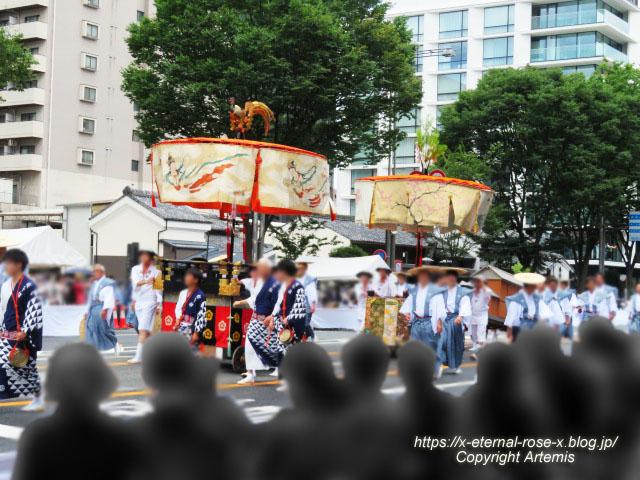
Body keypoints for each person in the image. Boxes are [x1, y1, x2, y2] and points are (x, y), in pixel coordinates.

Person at [0, 249, 44, 411]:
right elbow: (3, 308)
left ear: (19, 265)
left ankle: (38, 397)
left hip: (23, 336)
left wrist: (26, 330)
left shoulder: (29, 286)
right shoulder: (6, 285)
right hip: (7, 335)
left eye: (8, 263)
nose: (5, 266)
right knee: (4, 366)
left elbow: (35, 309)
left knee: (28, 369)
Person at [234, 259, 280, 384]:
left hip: (268, 320)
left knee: (272, 347)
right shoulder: (260, 281)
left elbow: (279, 302)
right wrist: (241, 302)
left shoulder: (275, 284)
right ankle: (251, 373)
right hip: (256, 318)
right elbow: (255, 298)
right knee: (249, 345)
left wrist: (273, 317)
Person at [398, 265, 445, 370]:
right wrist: (408, 314)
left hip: (429, 322)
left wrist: (439, 323)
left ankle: (435, 367)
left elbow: (440, 308)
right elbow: (408, 305)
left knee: (431, 346)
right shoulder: (414, 291)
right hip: (416, 322)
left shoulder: (435, 291)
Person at [435, 267, 472, 376]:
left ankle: (455, 365)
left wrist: (461, 316)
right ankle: (439, 364)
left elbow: (465, 305)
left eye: (453, 277)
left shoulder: (462, 291)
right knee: (441, 341)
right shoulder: (441, 291)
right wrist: (438, 320)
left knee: (456, 343)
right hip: (443, 318)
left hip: (456, 319)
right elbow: (437, 305)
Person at [128, 249, 162, 364]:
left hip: (150, 300)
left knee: (143, 328)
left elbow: (159, 288)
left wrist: (159, 303)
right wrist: (133, 301)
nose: (143, 258)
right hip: (139, 301)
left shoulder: (157, 271)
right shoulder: (135, 269)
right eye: (142, 255)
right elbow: (134, 284)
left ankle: (138, 356)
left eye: (146, 256)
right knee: (143, 328)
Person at [83, 264, 121, 355]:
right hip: (93, 307)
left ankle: (114, 343)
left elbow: (109, 297)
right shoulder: (93, 283)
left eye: (96, 271)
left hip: (102, 306)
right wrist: (86, 311)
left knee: (104, 329)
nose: (94, 273)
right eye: (93, 271)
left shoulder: (107, 283)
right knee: (90, 327)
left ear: (102, 272)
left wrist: (105, 310)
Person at [504, 273, 554, 342]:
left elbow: (548, 316)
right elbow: (510, 323)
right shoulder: (516, 301)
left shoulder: (538, 300)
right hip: (520, 335)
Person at [174, 268, 207, 345]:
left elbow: (201, 315)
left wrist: (196, 333)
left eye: (189, 276)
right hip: (182, 326)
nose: (186, 278)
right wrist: (177, 319)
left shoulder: (200, 295)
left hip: (191, 329)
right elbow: (178, 308)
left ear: (195, 280)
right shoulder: (183, 293)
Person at [296, 261, 318, 341]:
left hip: (306, 302)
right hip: (297, 302)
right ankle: (303, 336)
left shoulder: (309, 279)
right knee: (298, 321)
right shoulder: (295, 278)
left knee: (305, 322)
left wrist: (313, 304)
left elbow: (312, 293)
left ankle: (312, 335)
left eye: (302, 269)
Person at [469, 275, 490, 355]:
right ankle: (474, 345)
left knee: (480, 331)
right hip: (473, 314)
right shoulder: (473, 292)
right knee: (473, 331)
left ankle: (480, 345)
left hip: (482, 315)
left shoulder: (486, 291)